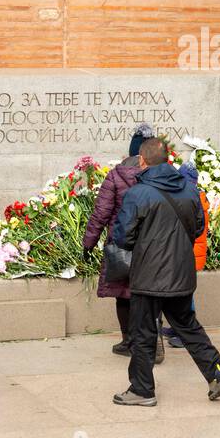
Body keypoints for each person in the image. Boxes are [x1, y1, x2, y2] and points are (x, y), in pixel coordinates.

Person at [110, 136, 220, 406]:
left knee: (142, 333)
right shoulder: (189, 190)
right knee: (189, 327)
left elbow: (123, 238)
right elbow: (199, 228)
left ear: (142, 161)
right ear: (167, 159)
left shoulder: (137, 193)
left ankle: (142, 390)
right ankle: (216, 374)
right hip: (181, 274)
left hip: (148, 277)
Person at [81, 124, 158, 361]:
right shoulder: (159, 174)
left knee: (123, 294)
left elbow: (101, 213)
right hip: (152, 245)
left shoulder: (115, 175)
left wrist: (88, 243)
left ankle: (128, 340)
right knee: (150, 294)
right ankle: (150, 341)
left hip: (121, 245)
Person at [164, 160, 212, 350]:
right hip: (190, 252)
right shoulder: (197, 195)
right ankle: (178, 328)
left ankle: (185, 334)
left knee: (187, 296)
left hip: (189, 252)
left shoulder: (193, 197)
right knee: (183, 292)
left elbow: (196, 227)